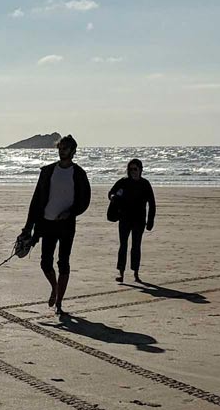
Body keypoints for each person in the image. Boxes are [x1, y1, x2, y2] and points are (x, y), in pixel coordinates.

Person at [23, 134, 91, 316]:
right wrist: (28, 227)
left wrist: (71, 212)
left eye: (66, 148)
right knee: (45, 263)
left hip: (66, 225)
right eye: (60, 148)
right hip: (46, 223)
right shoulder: (47, 171)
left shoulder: (79, 174)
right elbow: (36, 200)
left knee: (63, 262)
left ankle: (59, 302)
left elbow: (85, 200)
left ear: (73, 151)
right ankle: (55, 287)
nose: (62, 151)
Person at [107, 158, 156, 282]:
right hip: (124, 218)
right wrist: (113, 197)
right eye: (131, 169)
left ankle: (136, 273)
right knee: (123, 245)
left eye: (135, 169)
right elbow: (111, 193)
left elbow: (152, 203)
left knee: (136, 246)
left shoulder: (145, 184)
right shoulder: (123, 182)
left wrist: (150, 221)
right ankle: (121, 273)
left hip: (139, 220)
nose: (133, 171)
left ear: (140, 170)